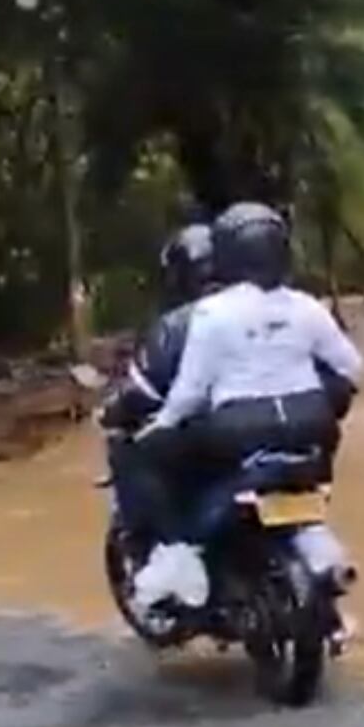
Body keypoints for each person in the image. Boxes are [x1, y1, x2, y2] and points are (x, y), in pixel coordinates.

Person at [132, 201, 364, 609]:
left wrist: (163, 424)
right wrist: (322, 401)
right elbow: (351, 367)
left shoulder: (212, 313)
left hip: (239, 430)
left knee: (151, 452)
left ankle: (181, 552)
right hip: (313, 428)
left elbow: (190, 391)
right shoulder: (307, 306)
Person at [101, 220, 218, 540]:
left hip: (212, 436)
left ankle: (171, 547)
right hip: (277, 430)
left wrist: (113, 410)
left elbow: (142, 391)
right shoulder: (265, 307)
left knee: (134, 450)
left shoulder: (176, 325)